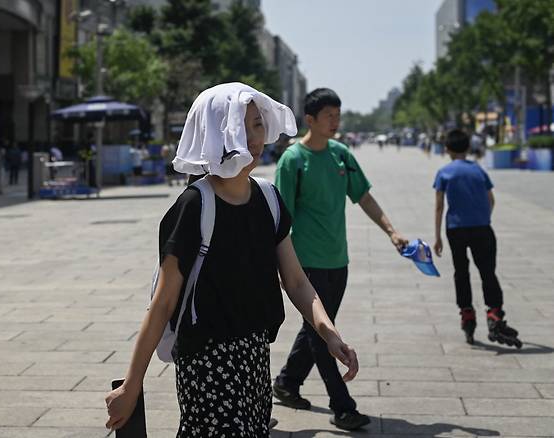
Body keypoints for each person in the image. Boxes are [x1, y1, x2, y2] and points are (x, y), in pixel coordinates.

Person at [104, 83, 360, 437]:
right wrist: (131, 386)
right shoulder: (195, 205)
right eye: (241, 127)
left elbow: (297, 281)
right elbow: (162, 304)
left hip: (255, 355)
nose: (253, 138)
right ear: (217, 135)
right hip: (206, 361)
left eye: (257, 125)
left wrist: (329, 333)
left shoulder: (269, 198)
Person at [273, 88, 408, 431]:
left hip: (338, 260)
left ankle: (287, 382)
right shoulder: (292, 161)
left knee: (318, 325)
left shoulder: (341, 155)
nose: (335, 122)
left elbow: (362, 196)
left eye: (337, 115)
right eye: (329, 116)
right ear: (310, 120)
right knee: (322, 333)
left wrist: (392, 231)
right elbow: (278, 219)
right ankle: (342, 405)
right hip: (305, 264)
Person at [433, 129, 521, 347]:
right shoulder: (479, 170)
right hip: (482, 228)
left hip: (456, 229)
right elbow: (491, 199)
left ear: (447, 149)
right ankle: (494, 314)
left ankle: (467, 315)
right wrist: (483, 218)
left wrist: (437, 237)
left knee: (461, 271)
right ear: (468, 148)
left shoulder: (444, 172)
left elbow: (439, 207)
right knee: (487, 271)